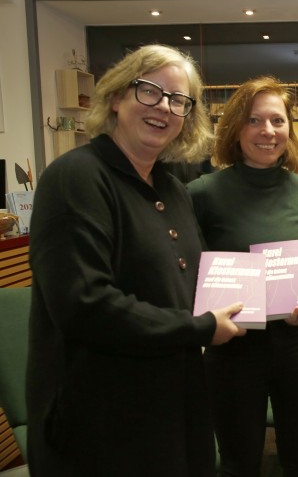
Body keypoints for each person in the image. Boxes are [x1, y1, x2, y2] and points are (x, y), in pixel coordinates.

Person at [26, 44, 246, 477]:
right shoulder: (76, 178)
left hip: (172, 409)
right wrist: (200, 327)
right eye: (150, 91)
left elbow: (193, 282)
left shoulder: (172, 189)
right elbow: (85, 305)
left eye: (179, 100)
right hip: (101, 424)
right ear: (116, 98)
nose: (164, 107)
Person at [187, 76, 298, 477]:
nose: (267, 132)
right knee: (238, 464)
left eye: (277, 121)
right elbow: (188, 272)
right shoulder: (201, 193)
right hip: (233, 351)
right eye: (254, 121)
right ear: (235, 128)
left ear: (290, 127)